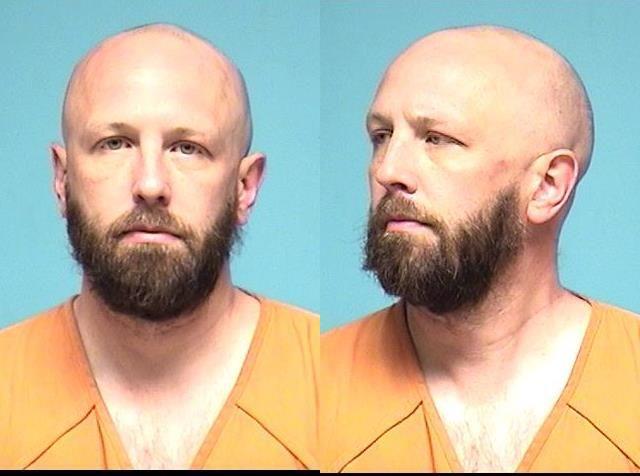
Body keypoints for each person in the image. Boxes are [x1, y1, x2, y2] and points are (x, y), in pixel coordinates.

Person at [321, 25, 640, 472]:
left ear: (547, 185)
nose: (388, 170)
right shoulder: (311, 388)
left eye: (438, 139)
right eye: (382, 136)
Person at [0, 23, 318, 470]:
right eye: (114, 144)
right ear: (62, 178)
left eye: (187, 148)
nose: (150, 184)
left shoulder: (327, 382)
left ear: (245, 187)